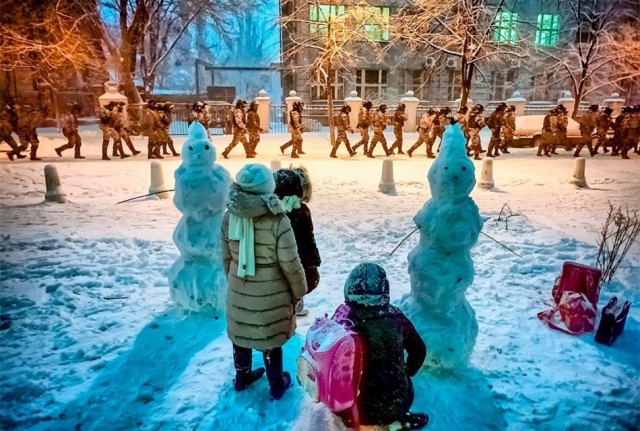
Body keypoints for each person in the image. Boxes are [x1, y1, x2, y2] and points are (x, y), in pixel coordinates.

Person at [222, 164, 307, 400]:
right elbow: (291, 264)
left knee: (241, 335)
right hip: (272, 292)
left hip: (240, 286)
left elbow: (226, 256)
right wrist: (300, 290)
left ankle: (242, 377)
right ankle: (276, 384)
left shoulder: (230, 216)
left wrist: (236, 281)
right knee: (270, 340)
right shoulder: (278, 219)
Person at [336, 263, 429, 430]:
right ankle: (397, 418)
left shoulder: (344, 319)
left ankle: (353, 419)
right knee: (398, 387)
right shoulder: (396, 316)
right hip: (395, 403)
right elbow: (419, 350)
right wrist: (405, 371)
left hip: (352, 409)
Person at [273, 167, 321, 316]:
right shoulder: (300, 212)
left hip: (282, 256)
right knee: (297, 279)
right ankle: (294, 303)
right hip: (298, 256)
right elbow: (307, 237)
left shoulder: (274, 212)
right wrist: (313, 259)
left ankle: (291, 303)